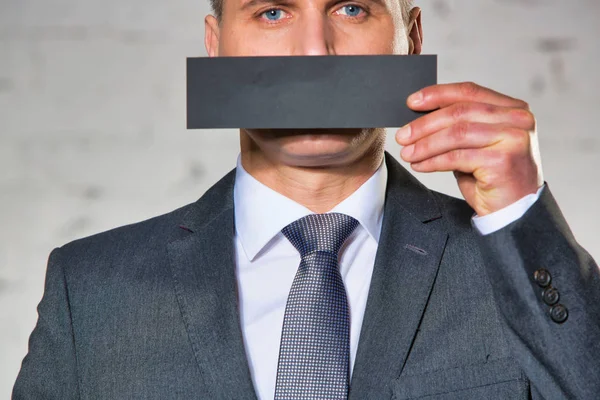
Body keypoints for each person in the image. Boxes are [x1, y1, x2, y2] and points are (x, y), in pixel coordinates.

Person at [13, 0, 600, 399]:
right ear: (216, 46)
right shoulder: (90, 288)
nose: (317, 52)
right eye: (272, 11)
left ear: (411, 38)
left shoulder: (516, 266)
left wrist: (521, 215)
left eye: (352, 8)